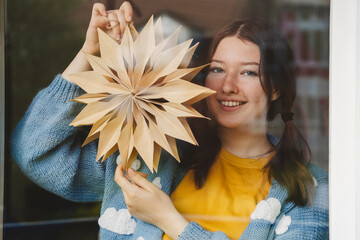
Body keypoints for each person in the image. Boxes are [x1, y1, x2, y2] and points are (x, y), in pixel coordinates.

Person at [11, 1, 328, 239]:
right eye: (217, 69)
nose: (228, 85)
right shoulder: (150, 154)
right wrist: (89, 52)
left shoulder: (310, 189)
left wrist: (170, 221)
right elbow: (36, 153)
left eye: (248, 72)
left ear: (275, 87)